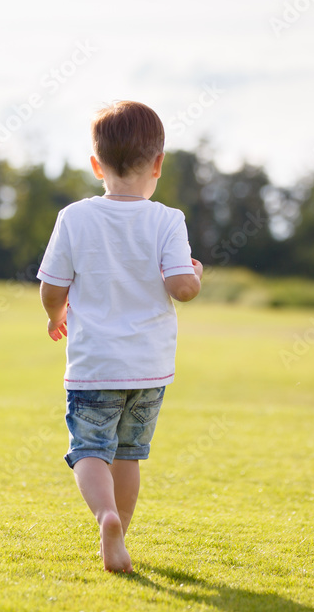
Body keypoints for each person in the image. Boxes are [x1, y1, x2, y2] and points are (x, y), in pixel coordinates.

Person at [37, 100, 203, 573]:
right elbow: (182, 287)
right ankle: (121, 536)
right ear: (158, 164)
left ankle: (104, 516)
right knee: (129, 455)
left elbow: (52, 286)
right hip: (149, 370)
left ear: (96, 165)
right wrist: (196, 275)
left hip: (94, 366)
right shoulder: (168, 220)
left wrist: (55, 315)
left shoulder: (74, 217)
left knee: (90, 449)